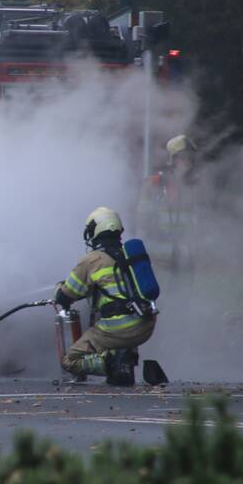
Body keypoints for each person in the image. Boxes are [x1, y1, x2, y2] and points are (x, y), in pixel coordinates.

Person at [54, 207, 156, 385]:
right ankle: (126, 359)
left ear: (96, 230)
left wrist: (58, 290)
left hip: (117, 329)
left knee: (69, 361)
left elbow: (65, 296)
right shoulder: (129, 256)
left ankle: (111, 363)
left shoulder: (91, 261)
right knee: (124, 313)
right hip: (145, 325)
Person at [135, 134, 200, 274]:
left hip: (183, 254)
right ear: (172, 159)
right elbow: (142, 221)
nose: (188, 162)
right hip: (158, 252)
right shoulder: (154, 184)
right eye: (183, 157)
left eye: (190, 158)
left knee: (183, 291)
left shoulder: (192, 186)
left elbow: (193, 219)